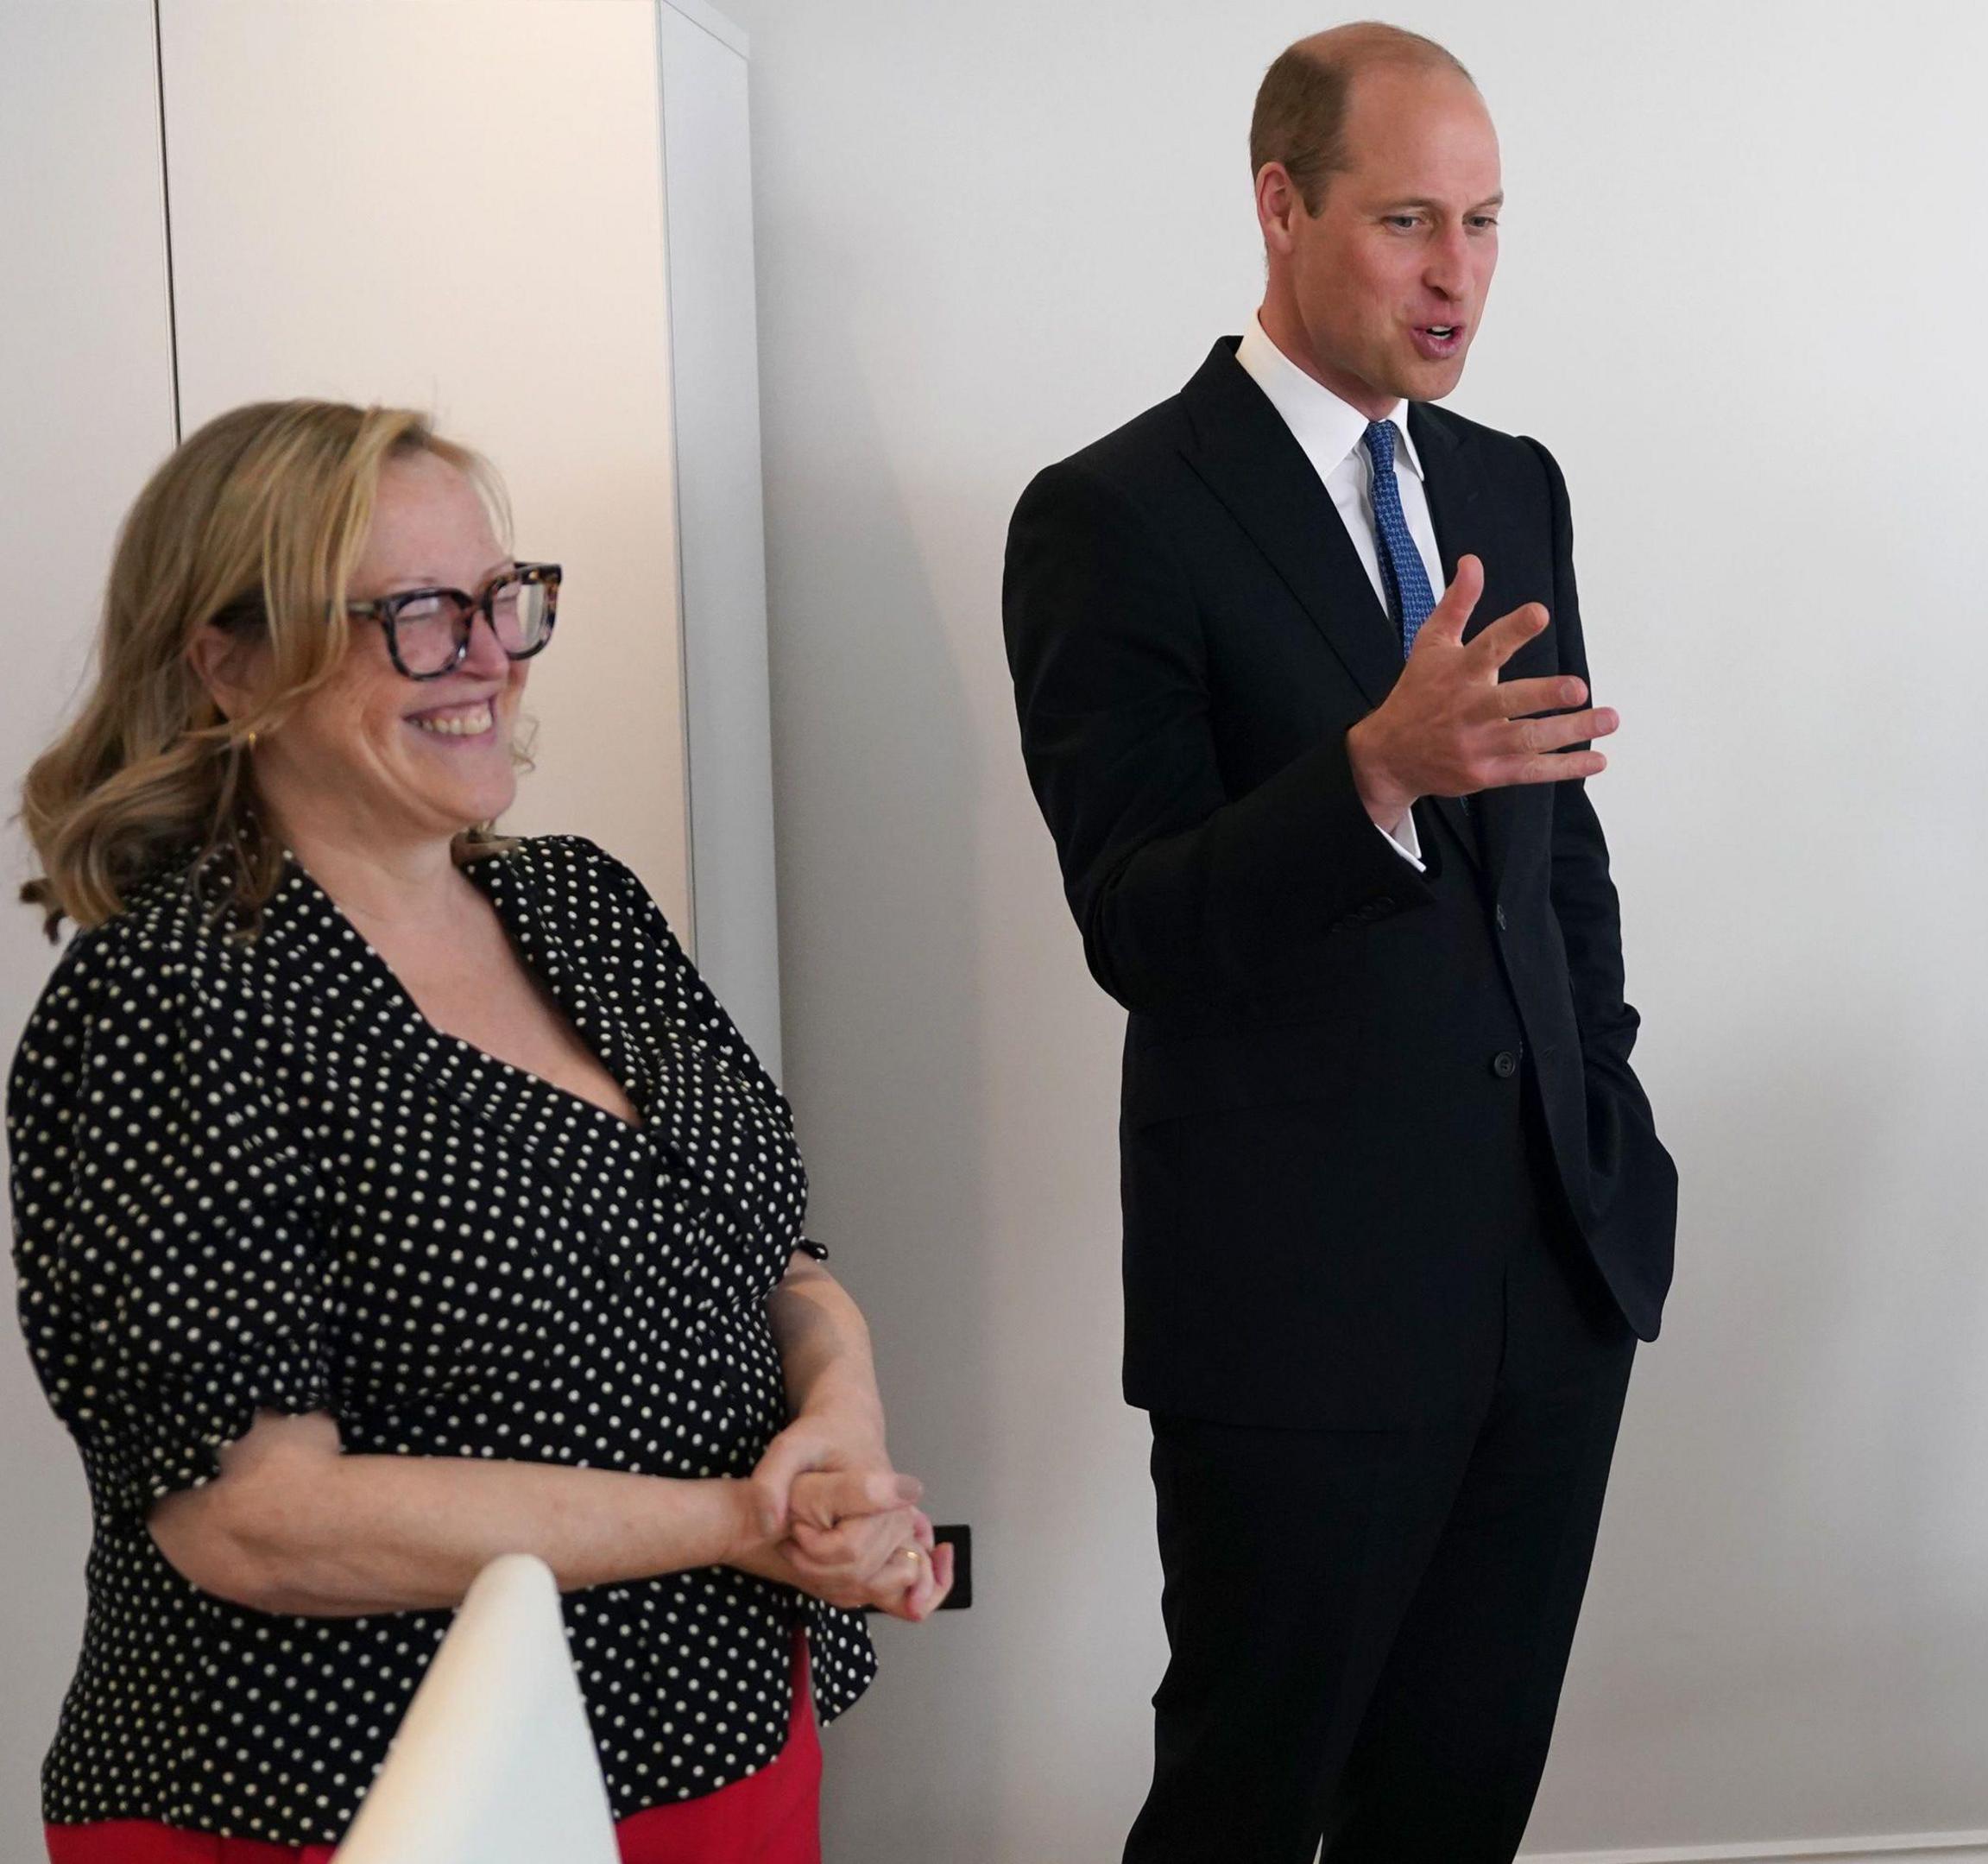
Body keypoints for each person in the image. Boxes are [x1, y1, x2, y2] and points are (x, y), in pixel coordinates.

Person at [8, 400, 955, 1863]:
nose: (493, 656)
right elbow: (255, 1521)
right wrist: (733, 1521)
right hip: (363, 1799)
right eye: (416, 615)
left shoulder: (580, 901)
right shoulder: (173, 994)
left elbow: (773, 1254)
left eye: (504, 600)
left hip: (718, 1732)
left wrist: (844, 1429)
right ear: (230, 661)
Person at [1000, 22, 1673, 1861]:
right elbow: (1134, 916)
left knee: (1454, 1814)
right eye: (1405, 221)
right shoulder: (1113, 514)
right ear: (1280, 206)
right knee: (1246, 1804)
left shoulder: (1509, 479)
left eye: (1484, 222)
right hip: (1298, 1313)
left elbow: (1559, 856)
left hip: (1551, 1273)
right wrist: (1369, 772)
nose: (1456, 272)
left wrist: (1603, 1121)